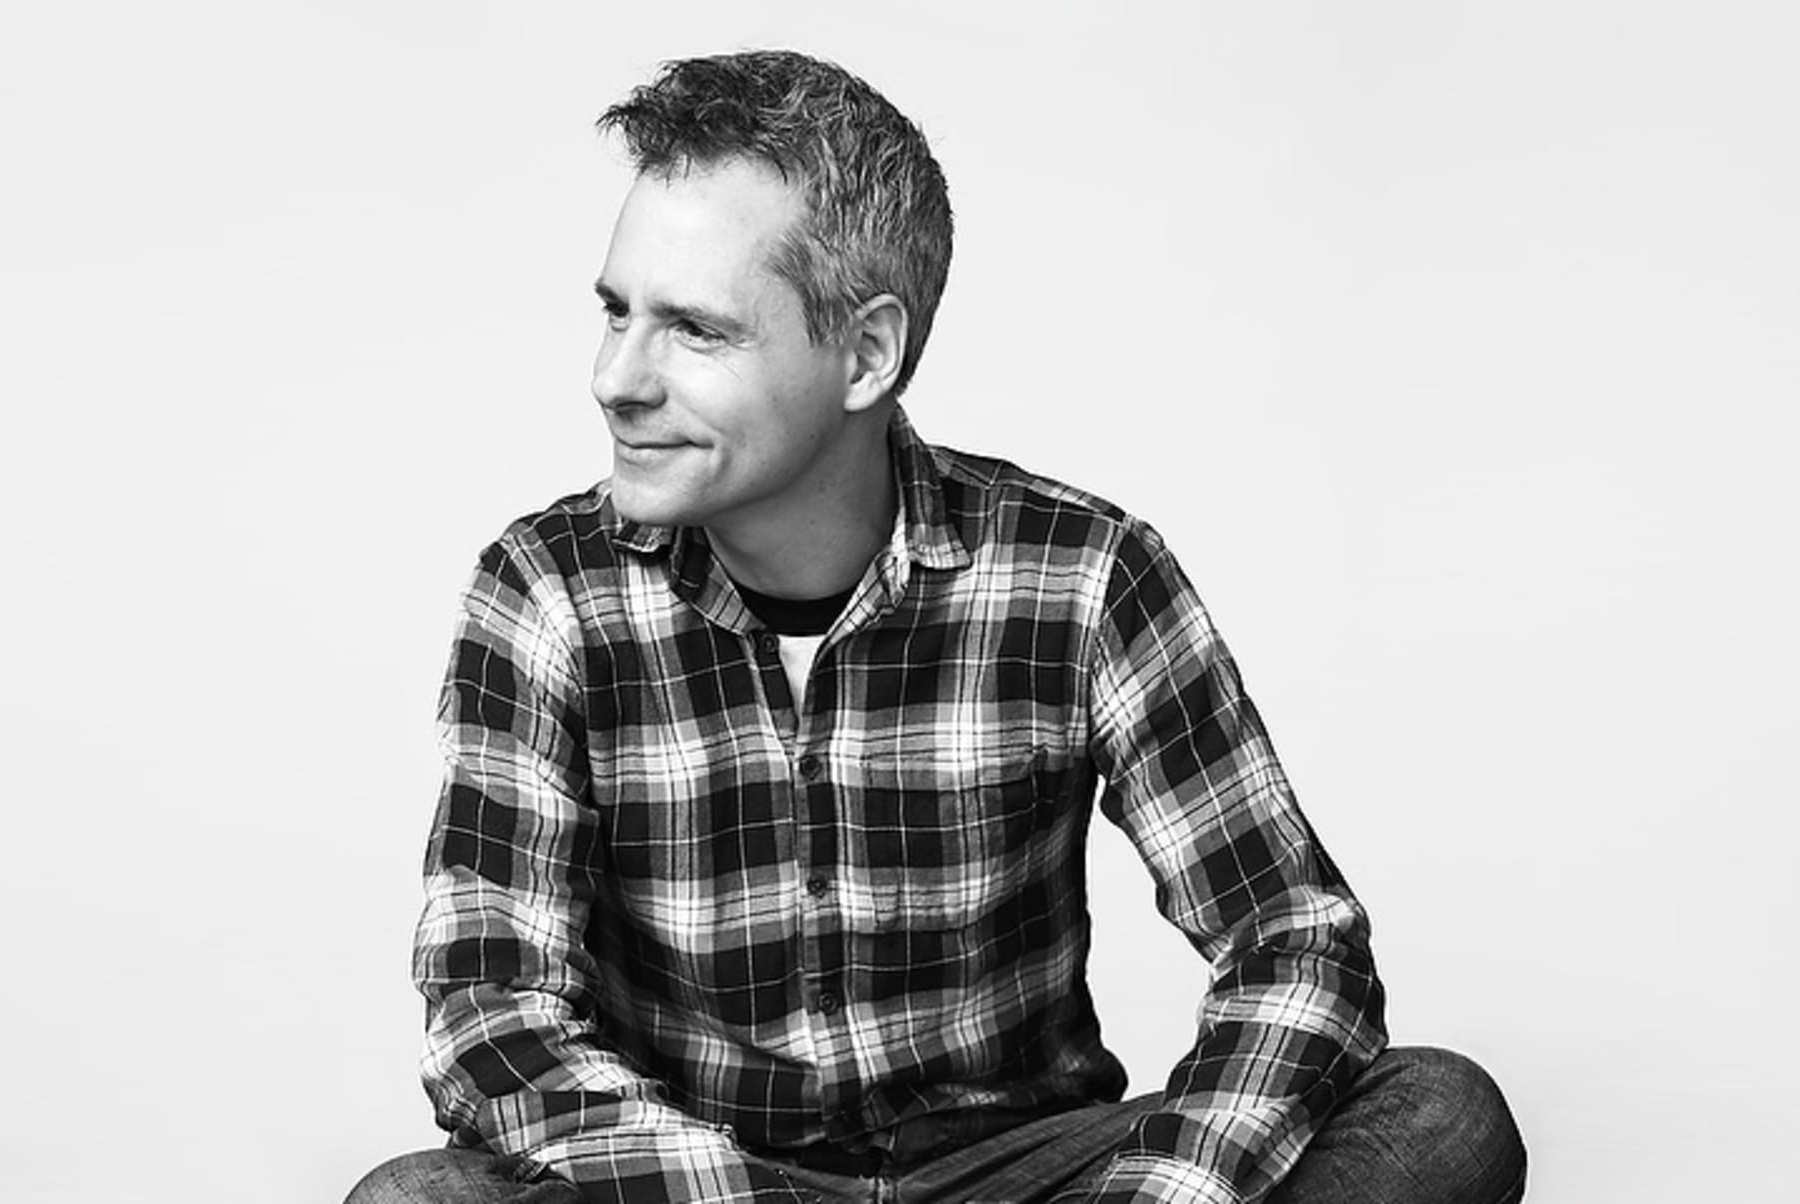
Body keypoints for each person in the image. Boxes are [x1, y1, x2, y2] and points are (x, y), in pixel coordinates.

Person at [349, 50, 1525, 1204]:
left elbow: (1294, 943)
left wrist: (1162, 1192)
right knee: (413, 1199)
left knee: (1441, 1112)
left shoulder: (1083, 574)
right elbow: (491, 1014)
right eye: (617, 312)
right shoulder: (544, 589)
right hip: (704, 1175)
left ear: (866, 353)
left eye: (694, 329)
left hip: (1027, 1167)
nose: (616, 377)